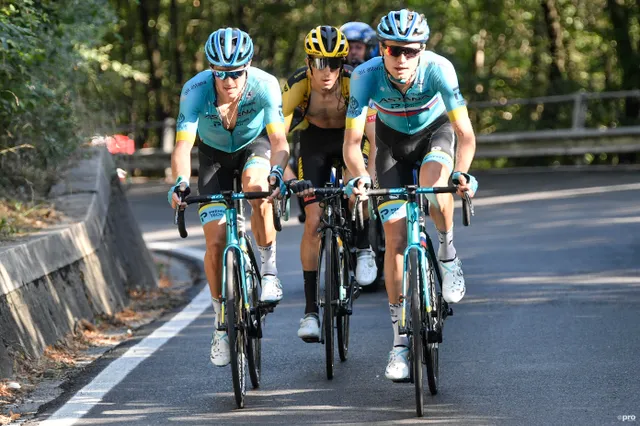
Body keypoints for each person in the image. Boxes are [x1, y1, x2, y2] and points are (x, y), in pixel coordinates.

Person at [342, 9, 479, 381]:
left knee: (437, 189)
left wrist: (462, 173)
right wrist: (360, 176)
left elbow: (464, 134)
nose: (402, 59)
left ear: (421, 50)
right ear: (381, 50)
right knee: (395, 240)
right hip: (390, 144)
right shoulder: (365, 76)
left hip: (434, 134)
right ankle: (399, 342)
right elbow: (352, 144)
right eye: (393, 51)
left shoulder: (439, 69)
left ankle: (448, 253)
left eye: (410, 51)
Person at [168, 28, 290, 367]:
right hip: (213, 157)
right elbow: (182, 145)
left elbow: (279, 142)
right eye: (220, 72)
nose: (229, 80)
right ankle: (222, 321)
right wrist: (179, 182)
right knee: (216, 240)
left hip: (255, 147)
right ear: (211, 70)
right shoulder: (194, 91)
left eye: (236, 72)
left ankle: (268, 271)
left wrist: (277, 171)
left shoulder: (265, 85)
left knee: (256, 187)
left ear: (248, 67)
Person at [281, 25, 378, 342]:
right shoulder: (297, 85)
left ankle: (363, 248)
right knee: (312, 220)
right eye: (320, 62)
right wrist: (289, 179)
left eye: (334, 63)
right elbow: (275, 139)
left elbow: (373, 140)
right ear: (309, 62)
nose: (327, 71)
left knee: (355, 186)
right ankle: (310, 311)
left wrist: (368, 174)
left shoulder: (355, 82)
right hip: (315, 143)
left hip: (352, 139)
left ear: (343, 63)